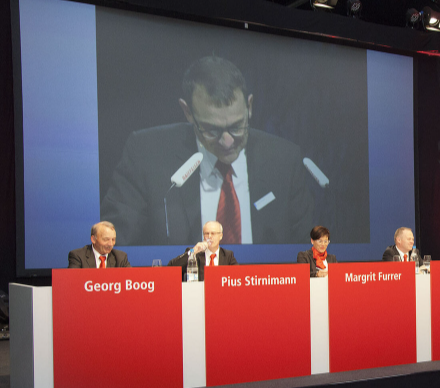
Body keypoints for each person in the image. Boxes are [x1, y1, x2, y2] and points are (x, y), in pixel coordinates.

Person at [101, 55, 313, 246]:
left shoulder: (284, 159)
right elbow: (111, 247)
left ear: (249, 107)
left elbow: (308, 248)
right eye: (212, 130)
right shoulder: (146, 154)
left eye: (237, 126)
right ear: (188, 112)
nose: (228, 141)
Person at [168, 221, 238, 281]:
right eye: (206, 233)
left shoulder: (228, 255)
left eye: (213, 233)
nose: (209, 236)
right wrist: (194, 251)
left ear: (221, 236)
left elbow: (238, 276)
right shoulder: (195, 253)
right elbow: (172, 267)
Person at [68, 221, 132, 268]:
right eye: (106, 239)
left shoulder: (120, 257)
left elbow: (131, 280)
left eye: (113, 239)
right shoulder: (78, 256)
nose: (110, 244)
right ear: (93, 239)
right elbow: (73, 281)